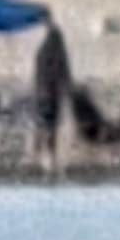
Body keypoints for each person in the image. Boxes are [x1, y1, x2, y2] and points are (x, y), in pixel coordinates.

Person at [28, 16, 73, 182]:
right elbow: (65, 74)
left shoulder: (42, 51)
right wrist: (67, 91)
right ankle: (48, 159)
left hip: (42, 95)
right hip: (50, 96)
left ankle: (40, 157)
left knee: (43, 127)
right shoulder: (57, 52)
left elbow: (39, 74)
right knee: (50, 128)